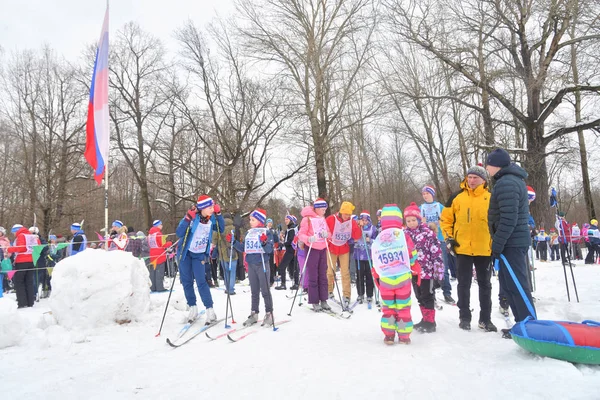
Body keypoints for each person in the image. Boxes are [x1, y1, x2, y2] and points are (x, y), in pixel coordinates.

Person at [486, 148, 537, 332]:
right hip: (510, 242)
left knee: (518, 286)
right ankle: (521, 325)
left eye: (488, 164)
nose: (487, 168)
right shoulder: (506, 181)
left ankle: (530, 326)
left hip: (512, 243)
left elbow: (509, 218)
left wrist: (497, 245)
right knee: (509, 286)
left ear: (495, 165)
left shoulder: (507, 183)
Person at [441, 164, 496, 332]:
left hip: (484, 248)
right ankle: (464, 317)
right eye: (469, 177)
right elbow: (446, 220)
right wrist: (449, 238)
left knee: (485, 284)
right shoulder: (456, 197)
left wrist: (496, 243)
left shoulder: (491, 198)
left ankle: (485, 319)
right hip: (462, 247)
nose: (472, 180)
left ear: (483, 180)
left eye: (475, 178)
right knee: (463, 284)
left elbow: (496, 222)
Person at [371, 204, 420, 345]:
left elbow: (375, 258)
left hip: (386, 280)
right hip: (403, 278)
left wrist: (377, 272)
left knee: (389, 309)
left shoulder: (379, 238)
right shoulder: (404, 236)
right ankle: (404, 336)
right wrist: (412, 263)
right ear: (400, 220)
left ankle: (389, 335)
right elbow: (412, 255)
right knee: (403, 308)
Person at [176, 195, 224, 324]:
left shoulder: (212, 218)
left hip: (199, 255)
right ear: (202, 208)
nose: (212, 209)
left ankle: (210, 310)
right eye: (210, 207)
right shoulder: (193, 217)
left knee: (201, 281)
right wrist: (187, 219)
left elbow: (221, 229)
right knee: (187, 281)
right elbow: (179, 233)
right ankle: (192, 307)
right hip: (185, 254)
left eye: (213, 207)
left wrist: (219, 214)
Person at [404, 202, 444, 333]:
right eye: (408, 221)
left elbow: (436, 252)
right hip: (413, 272)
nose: (411, 223)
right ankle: (424, 319)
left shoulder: (428, 233)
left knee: (427, 295)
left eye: (413, 220)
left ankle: (430, 322)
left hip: (427, 271)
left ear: (419, 219)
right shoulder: (404, 235)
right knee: (419, 295)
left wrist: (438, 272)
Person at [231, 209, 275, 326]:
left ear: (260, 220)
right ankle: (254, 313)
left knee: (265, 290)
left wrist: (264, 242)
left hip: (262, 264)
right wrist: (234, 242)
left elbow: (269, 250)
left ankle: (269, 314)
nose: (250, 222)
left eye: (253, 220)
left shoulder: (266, 232)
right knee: (254, 291)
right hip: (251, 264)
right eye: (250, 219)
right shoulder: (249, 232)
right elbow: (244, 248)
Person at [420, 185, 456, 303]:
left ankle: (447, 293)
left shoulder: (439, 206)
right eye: (423, 194)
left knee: (443, 267)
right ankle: (432, 294)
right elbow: (416, 224)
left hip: (439, 239)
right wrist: (422, 224)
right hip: (426, 241)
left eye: (427, 193)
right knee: (429, 268)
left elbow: (448, 221)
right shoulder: (421, 208)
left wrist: (442, 222)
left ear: (432, 194)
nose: (425, 196)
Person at [297, 198, 332, 312]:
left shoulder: (322, 219)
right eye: (322, 209)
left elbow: (329, 233)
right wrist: (308, 238)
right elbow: (301, 234)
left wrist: (327, 234)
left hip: (322, 248)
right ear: (316, 209)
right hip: (312, 248)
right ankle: (314, 301)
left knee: (323, 274)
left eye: (325, 209)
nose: (324, 211)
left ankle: (323, 299)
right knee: (313, 274)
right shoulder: (307, 219)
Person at [325, 201, 361, 307]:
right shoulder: (332, 219)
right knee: (330, 271)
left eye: (349, 214)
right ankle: (329, 291)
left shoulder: (351, 222)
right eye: (346, 214)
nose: (347, 216)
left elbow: (357, 236)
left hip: (344, 249)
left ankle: (346, 295)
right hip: (331, 247)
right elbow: (324, 228)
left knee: (345, 272)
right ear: (341, 212)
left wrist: (358, 226)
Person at [8, 224, 41, 308]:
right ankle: (30, 302)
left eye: (13, 232)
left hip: (21, 261)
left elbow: (21, 248)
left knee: (19, 282)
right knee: (29, 282)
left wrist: (9, 249)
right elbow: (38, 245)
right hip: (31, 261)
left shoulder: (21, 236)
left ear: (16, 230)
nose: (14, 234)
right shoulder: (31, 235)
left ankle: (22, 303)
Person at [353, 210, 377, 305]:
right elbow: (351, 239)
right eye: (362, 220)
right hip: (358, 255)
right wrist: (355, 242)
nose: (364, 222)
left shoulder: (373, 228)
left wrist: (370, 240)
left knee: (369, 276)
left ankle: (370, 295)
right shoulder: (357, 227)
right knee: (359, 276)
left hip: (369, 256)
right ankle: (360, 294)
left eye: (366, 220)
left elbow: (377, 241)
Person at [215, 214, 238, 295]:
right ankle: (231, 289)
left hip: (223, 253)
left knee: (226, 272)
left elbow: (214, 239)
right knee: (232, 272)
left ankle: (227, 288)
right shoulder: (234, 227)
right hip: (233, 252)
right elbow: (239, 238)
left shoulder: (219, 228)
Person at [147, 220, 172, 292]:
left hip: (152, 255)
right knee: (159, 272)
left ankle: (153, 287)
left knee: (153, 272)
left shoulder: (149, 235)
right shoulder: (159, 234)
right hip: (160, 255)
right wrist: (170, 243)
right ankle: (160, 287)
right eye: (161, 224)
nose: (162, 226)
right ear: (158, 225)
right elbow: (163, 244)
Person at [275, 215, 298, 290]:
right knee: (293, 267)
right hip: (291, 250)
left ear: (291, 220)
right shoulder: (290, 229)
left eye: (287, 219)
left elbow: (291, 240)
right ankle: (296, 283)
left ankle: (283, 284)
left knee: (282, 266)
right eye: (285, 219)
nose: (285, 221)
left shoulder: (291, 229)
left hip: (290, 250)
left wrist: (283, 244)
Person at [265, 218, 279, 285]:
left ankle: (271, 280)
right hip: (264, 249)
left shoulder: (273, 230)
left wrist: (274, 234)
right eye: (268, 222)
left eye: (271, 222)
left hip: (271, 250)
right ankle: (265, 279)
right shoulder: (264, 230)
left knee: (271, 265)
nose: (270, 224)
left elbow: (276, 240)